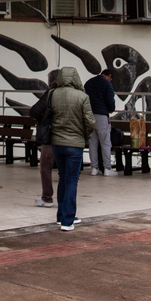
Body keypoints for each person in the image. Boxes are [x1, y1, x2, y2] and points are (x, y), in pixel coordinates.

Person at [50, 67, 95, 230]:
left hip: (56, 143)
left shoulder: (52, 94)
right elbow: (90, 121)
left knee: (62, 177)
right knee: (71, 180)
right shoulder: (82, 97)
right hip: (75, 144)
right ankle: (68, 219)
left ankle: (60, 215)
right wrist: (85, 136)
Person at [29, 69, 60, 207]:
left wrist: (42, 118)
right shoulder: (74, 94)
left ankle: (47, 197)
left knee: (45, 167)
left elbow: (34, 111)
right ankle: (66, 199)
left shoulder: (50, 94)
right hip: (70, 137)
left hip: (52, 136)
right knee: (67, 171)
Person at [84, 68, 117, 176]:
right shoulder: (107, 84)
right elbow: (110, 101)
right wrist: (111, 109)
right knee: (105, 143)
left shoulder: (88, 83)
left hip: (89, 116)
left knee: (92, 143)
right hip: (101, 116)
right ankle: (107, 168)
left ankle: (94, 168)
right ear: (109, 76)